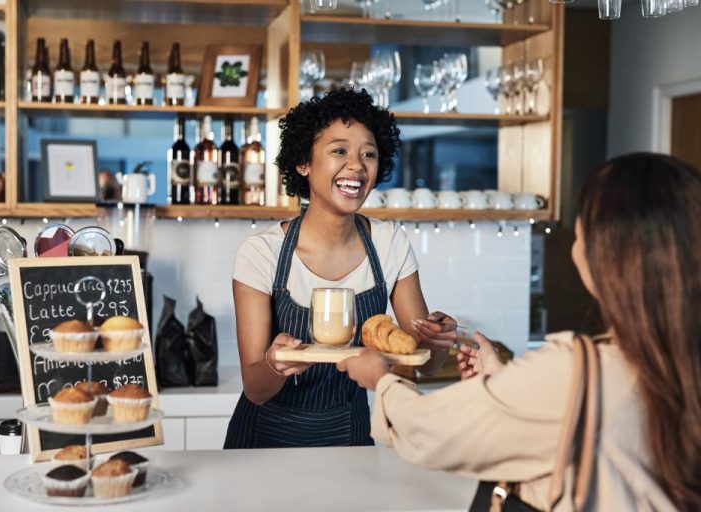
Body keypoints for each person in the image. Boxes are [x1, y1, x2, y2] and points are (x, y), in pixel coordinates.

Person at [338, 153, 701, 511]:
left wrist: (381, 381)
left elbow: (432, 432)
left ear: (607, 255)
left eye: (582, 230)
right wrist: (508, 383)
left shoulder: (577, 370)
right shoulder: (677, 361)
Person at [224, 88, 457, 449]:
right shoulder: (262, 253)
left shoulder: (389, 243)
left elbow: (423, 363)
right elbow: (255, 389)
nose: (357, 165)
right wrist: (275, 363)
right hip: (264, 443)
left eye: (369, 154)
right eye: (339, 151)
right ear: (303, 162)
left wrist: (438, 340)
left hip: (349, 437)